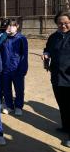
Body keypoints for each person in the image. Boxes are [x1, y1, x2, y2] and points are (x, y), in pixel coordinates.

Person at [42, 11, 70, 147]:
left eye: (66, 23)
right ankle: (66, 127)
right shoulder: (53, 37)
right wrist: (46, 54)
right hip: (57, 77)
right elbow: (47, 49)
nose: (63, 25)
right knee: (63, 105)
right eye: (60, 23)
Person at [0, 19, 28, 116]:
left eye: (13, 25)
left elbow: (24, 55)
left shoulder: (21, 38)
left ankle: (19, 106)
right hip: (5, 68)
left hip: (17, 69)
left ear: (17, 27)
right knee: (6, 89)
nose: (11, 27)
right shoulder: (4, 37)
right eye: (9, 25)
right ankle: (9, 106)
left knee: (19, 89)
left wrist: (23, 69)